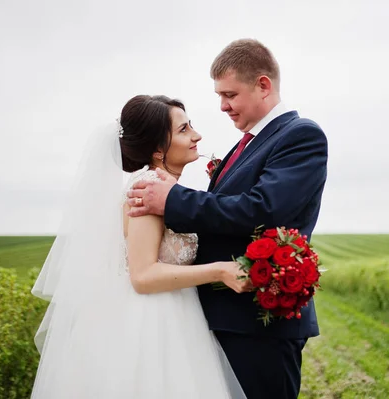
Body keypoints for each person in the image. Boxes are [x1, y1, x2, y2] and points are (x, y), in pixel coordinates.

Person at [127, 39, 328, 399]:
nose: (222, 106)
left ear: (263, 85)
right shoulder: (244, 144)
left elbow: (264, 209)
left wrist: (173, 200)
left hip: (258, 323)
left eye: (230, 94)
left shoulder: (300, 136)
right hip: (215, 318)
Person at [31, 95, 248, 398]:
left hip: (179, 315)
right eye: (184, 130)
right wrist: (220, 271)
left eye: (191, 126)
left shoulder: (168, 190)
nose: (196, 136)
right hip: (149, 325)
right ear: (158, 149)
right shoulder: (146, 189)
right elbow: (142, 276)